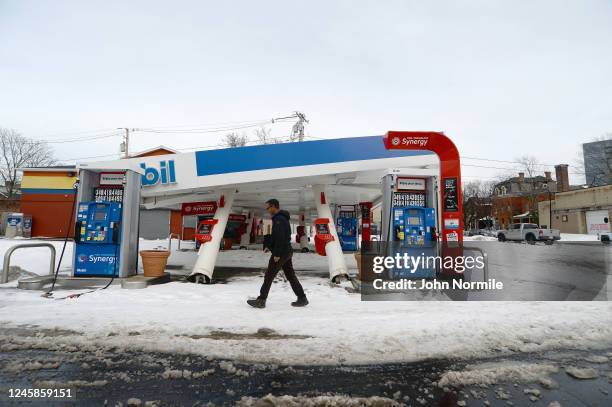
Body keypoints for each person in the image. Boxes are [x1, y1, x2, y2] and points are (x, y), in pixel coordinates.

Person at [247, 199, 308, 308]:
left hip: (282, 252)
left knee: (269, 276)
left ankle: (261, 300)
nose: (267, 210)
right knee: (290, 275)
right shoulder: (278, 219)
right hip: (286, 251)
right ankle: (302, 298)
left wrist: (277, 254)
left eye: (268, 207)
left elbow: (280, 238)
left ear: (274, 206)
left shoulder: (279, 219)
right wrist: (267, 246)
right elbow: (272, 235)